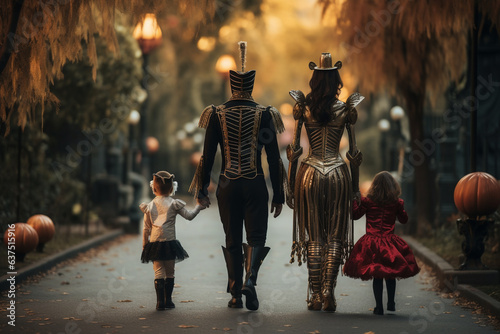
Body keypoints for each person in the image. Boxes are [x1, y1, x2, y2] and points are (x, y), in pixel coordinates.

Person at [189, 41, 286, 311]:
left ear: (232, 87)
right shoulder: (266, 114)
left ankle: (235, 293)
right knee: (256, 237)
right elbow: (274, 159)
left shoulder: (216, 114)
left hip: (227, 185)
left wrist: (202, 190)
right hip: (255, 184)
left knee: (232, 238)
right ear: (251, 87)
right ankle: (250, 281)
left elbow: (207, 156)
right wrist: (279, 194)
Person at [287, 53, 364, 312]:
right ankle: (329, 292)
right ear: (336, 81)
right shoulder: (346, 110)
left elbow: (294, 153)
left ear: (315, 80)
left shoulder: (303, 109)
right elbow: (353, 155)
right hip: (338, 173)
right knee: (335, 236)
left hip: (309, 173)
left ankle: (316, 295)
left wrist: (290, 185)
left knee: (314, 237)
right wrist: (355, 189)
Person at [343, 171, 420, 315]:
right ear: (393, 186)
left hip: (371, 242)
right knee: (390, 274)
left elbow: (355, 215)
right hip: (390, 242)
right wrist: (401, 209)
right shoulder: (397, 202)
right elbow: (404, 220)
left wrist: (355, 201)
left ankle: (379, 307)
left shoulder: (368, 202)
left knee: (377, 275)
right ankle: (391, 302)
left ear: (374, 186)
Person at [140, 171, 205, 311]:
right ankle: (168, 300)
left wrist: (145, 244)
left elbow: (146, 228)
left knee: (158, 272)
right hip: (170, 243)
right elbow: (189, 216)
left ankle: (159, 302)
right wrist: (199, 206)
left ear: (153, 188)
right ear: (172, 188)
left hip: (155, 244)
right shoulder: (174, 204)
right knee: (170, 273)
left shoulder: (149, 206)